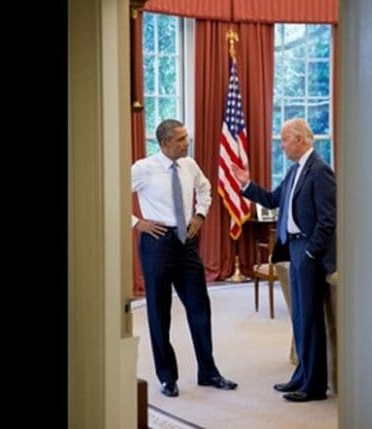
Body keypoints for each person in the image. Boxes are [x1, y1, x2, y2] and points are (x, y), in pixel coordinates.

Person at [232, 118, 336, 402]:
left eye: (285, 139)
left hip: (309, 253)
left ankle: (313, 387)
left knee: (311, 320)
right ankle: (301, 377)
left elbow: (328, 221)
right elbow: (272, 199)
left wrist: (312, 253)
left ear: (300, 139)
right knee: (300, 318)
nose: (281, 145)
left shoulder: (320, 171)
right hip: (294, 249)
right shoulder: (294, 171)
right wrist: (247, 185)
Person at [132, 119, 237, 398]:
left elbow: (205, 188)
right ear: (165, 143)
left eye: (186, 137)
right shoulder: (143, 168)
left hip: (187, 243)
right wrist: (136, 222)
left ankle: (208, 371)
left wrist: (200, 214)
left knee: (200, 307)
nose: (186, 142)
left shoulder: (190, 165)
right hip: (156, 243)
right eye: (180, 139)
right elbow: (112, 194)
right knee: (159, 311)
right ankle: (167, 377)